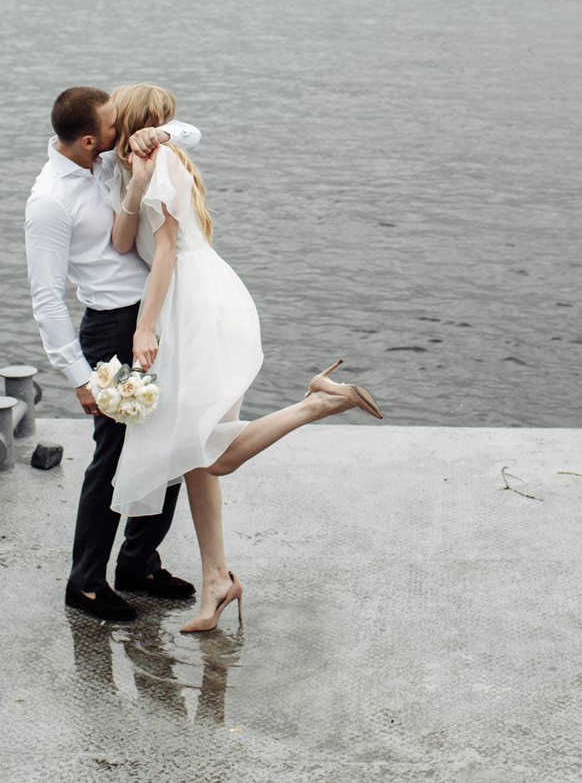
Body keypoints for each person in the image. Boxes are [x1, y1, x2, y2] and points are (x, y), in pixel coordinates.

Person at [105, 84, 382, 634]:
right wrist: (133, 185)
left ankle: (316, 404)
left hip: (196, 309)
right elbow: (120, 242)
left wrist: (144, 327)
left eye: (116, 115)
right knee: (197, 453)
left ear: (133, 119)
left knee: (211, 455)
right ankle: (216, 580)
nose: (109, 123)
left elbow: (164, 251)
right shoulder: (141, 167)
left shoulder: (163, 161)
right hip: (199, 301)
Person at [25, 85, 202, 622]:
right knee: (113, 458)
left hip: (155, 317)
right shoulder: (49, 203)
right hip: (112, 329)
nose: (120, 129)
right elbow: (46, 300)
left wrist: (160, 132)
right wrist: (79, 376)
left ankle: (138, 563)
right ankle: (84, 583)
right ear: (87, 140)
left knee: (167, 443)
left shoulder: (104, 159)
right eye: (111, 125)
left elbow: (189, 132)